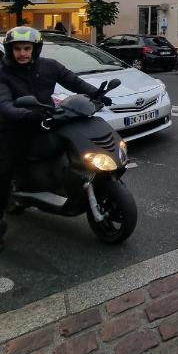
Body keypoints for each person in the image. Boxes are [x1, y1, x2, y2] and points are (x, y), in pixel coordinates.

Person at [0, 27, 108, 251]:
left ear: (35, 49)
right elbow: (5, 105)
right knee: (4, 170)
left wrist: (97, 94)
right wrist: (25, 115)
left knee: (74, 141)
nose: (22, 53)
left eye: (26, 48)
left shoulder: (49, 66)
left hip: (47, 119)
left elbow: (73, 81)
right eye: (17, 49)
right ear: (10, 51)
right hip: (14, 127)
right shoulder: (3, 73)